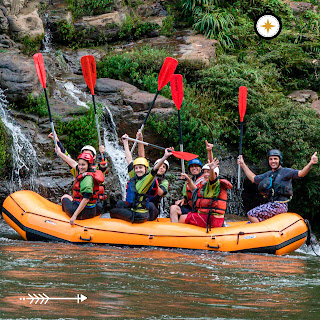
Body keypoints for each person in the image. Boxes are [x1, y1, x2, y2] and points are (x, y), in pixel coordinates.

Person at [238, 149, 318, 223]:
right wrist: (243, 164)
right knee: (250, 222)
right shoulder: (268, 174)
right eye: (271, 159)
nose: (273, 161)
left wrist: (310, 163)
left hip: (280, 206)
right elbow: (253, 179)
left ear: (280, 160)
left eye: (275, 159)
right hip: (271, 204)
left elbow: (301, 173)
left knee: (251, 214)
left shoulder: (285, 172)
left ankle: (261, 235)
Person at [109, 134, 173, 223]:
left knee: (113, 212)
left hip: (142, 213)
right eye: (137, 168)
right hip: (136, 209)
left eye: (141, 168)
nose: (138, 170)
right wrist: (125, 142)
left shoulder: (148, 179)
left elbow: (154, 170)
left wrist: (165, 157)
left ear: (146, 169)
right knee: (119, 204)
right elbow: (129, 159)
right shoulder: (134, 176)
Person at [49, 132, 108, 213]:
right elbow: (67, 158)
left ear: (94, 157)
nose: (86, 156)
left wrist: (103, 154)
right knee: (66, 197)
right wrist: (57, 141)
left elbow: (103, 165)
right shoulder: (78, 168)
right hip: (86, 204)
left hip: (96, 204)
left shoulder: (98, 170)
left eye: (88, 154)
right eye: (84, 154)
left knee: (65, 198)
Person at [171, 158, 232, 231]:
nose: (206, 174)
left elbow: (212, 179)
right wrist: (188, 182)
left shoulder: (214, 183)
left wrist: (210, 153)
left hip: (211, 218)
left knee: (182, 218)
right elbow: (196, 192)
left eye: (208, 172)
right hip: (207, 215)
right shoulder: (205, 185)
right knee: (175, 209)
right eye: (205, 172)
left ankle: (177, 235)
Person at [56, 150, 104, 225]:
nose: (80, 167)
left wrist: (74, 216)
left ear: (88, 165)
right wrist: (60, 153)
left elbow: (86, 199)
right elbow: (72, 163)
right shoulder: (88, 171)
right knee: (72, 198)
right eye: (79, 165)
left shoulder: (88, 179)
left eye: (83, 165)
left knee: (64, 197)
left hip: (83, 213)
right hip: (92, 210)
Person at [169, 140, 213, 222]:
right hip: (191, 208)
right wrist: (183, 200)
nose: (194, 168)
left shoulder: (206, 178)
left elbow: (197, 192)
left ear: (201, 169)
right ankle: (174, 230)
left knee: (182, 218)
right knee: (173, 208)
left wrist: (209, 151)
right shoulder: (188, 180)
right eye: (192, 166)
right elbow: (187, 196)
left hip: (201, 210)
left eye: (196, 166)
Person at [135, 130, 170, 220]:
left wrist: (152, 180)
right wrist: (140, 139)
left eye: (164, 167)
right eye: (160, 166)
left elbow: (161, 192)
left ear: (165, 170)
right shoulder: (149, 172)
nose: (161, 168)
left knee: (149, 204)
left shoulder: (165, 181)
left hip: (152, 208)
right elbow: (141, 157)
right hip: (140, 205)